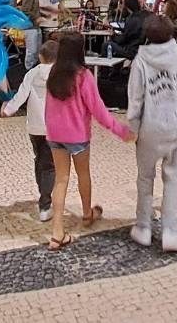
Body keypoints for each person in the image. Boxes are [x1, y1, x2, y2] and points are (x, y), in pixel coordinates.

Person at [42, 33, 134, 250]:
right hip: (77, 136)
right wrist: (120, 130)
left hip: (55, 135)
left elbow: (48, 108)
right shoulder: (83, 76)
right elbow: (99, 111)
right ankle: (86, 214)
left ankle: (57, 231)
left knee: (61, 179)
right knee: (83, 174)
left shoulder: (53, 74)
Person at [126, 16, 177, 252]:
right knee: (173, 178)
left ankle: (143, 227)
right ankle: (170, 232)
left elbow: (135, 99)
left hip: (150, 125)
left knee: (145, 178)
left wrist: (132, 127)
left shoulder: (141, 61)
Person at [5, 40, 59, 222]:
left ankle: (42, 192)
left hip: (35, 126)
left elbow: (21, 94)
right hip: (55, 127)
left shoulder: (32, 73)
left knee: (40, 159)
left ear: (40, 57)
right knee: (50, 165)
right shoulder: (62, 75)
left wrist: (8, 109)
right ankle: (45, 204)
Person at [20, 0, 45, 71]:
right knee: (32, 51)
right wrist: (36, 18)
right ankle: (28, 70)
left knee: (37, 51)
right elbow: (25, 10)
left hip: (35, 27)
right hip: (30, 27)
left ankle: (33, 70)